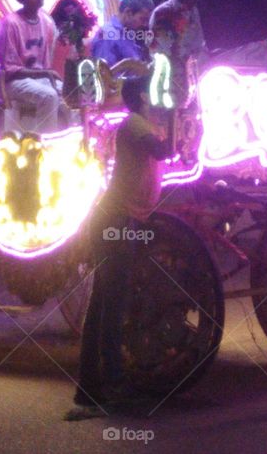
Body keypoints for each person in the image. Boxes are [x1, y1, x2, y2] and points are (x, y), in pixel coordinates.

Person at [67, 74, 170, 420]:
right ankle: (111, 385)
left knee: (103, 305)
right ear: (143, 97)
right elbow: (163, 151)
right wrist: (174, 118)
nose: (159, 98)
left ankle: (90, 389)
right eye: (155, 92)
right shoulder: (135, 124)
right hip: (115, 223)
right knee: (110, 306)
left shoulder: (140, 124)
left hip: (118, 220)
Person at [0, 0, 61, 132]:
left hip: (39, 79)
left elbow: (45, 64)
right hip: (14, 82)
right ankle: (44, 143)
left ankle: (71, 139)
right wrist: (46, 73)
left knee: (72, 94)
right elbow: (10, 70)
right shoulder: (10, 23)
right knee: (49, 96)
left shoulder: (45, 20)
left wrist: (46, 74)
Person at [149, 0, 206, 105]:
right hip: (172, 86)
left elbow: (198, 45)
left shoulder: (192, 10)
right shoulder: (164, 13)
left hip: (193, 77)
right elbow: (166, 56)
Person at [91, 0, 155, 66]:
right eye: (143, 19)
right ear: (128, 13)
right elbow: (106, 72)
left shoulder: (128, 33)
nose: (145, 24)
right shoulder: (107, 36)